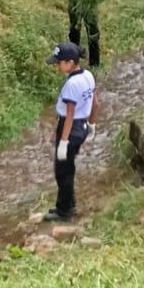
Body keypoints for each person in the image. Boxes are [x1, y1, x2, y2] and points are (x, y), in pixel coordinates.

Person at [43, 41, 98, 222]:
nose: (57, 66)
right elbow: (95, 103)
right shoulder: (88, 76)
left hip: (70, 129)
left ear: (70, 62)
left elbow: (69, 114)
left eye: (59, 62)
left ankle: (64, 210)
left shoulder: (71, 84)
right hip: (81, 126)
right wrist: (92, 125)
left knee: (63, 171)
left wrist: (63, 143)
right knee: (68, 167)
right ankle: (69, 202)